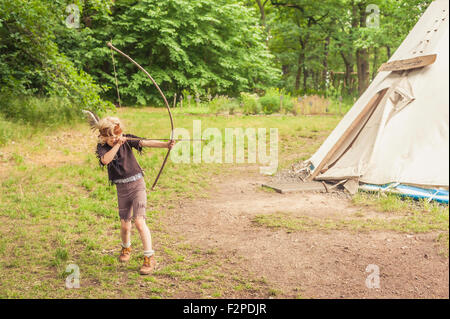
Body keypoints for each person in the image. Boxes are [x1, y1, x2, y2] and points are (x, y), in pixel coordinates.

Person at [94, 116, 175, 275]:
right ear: (103, 137)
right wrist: (117, 144)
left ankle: (149, 257)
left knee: (139, 221)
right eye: (111, 136)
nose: (115, 139)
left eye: (117, 135)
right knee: (125, 225)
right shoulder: (103, 147)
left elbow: (145, 142)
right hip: (122, 189)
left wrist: (165, 144)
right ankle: (126, 248)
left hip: (137, 185)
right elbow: (105, 160)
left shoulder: (126, 139)